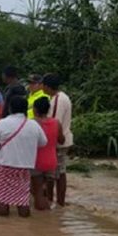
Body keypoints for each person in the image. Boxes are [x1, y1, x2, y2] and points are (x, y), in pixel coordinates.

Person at [0, 96, 48, 217]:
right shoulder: (33, 125)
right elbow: (43, 142)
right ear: (25, 109)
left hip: (4, 165)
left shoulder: (3, 123)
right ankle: (24, 227)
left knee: (2, 199)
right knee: (22, 199)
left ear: (10, 108)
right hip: (24, 167)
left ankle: (2, 228)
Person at [43, 74, 73, 207]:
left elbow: (55, 122)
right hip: (60, 139)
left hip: (58, 141)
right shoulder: (60, 98)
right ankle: (54, 200)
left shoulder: (58, 100)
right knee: (57, 172)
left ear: (47, 86)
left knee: (58, 173)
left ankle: (58, 201)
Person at [30, 97, 64, 211]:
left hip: (36, 161)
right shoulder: (56, 122)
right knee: (46, 192)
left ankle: (42, 221)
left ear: (35, 109)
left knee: (36, 192)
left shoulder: (32, 123)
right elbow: (61, 140)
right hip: (51, 162)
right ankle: (49, 210)